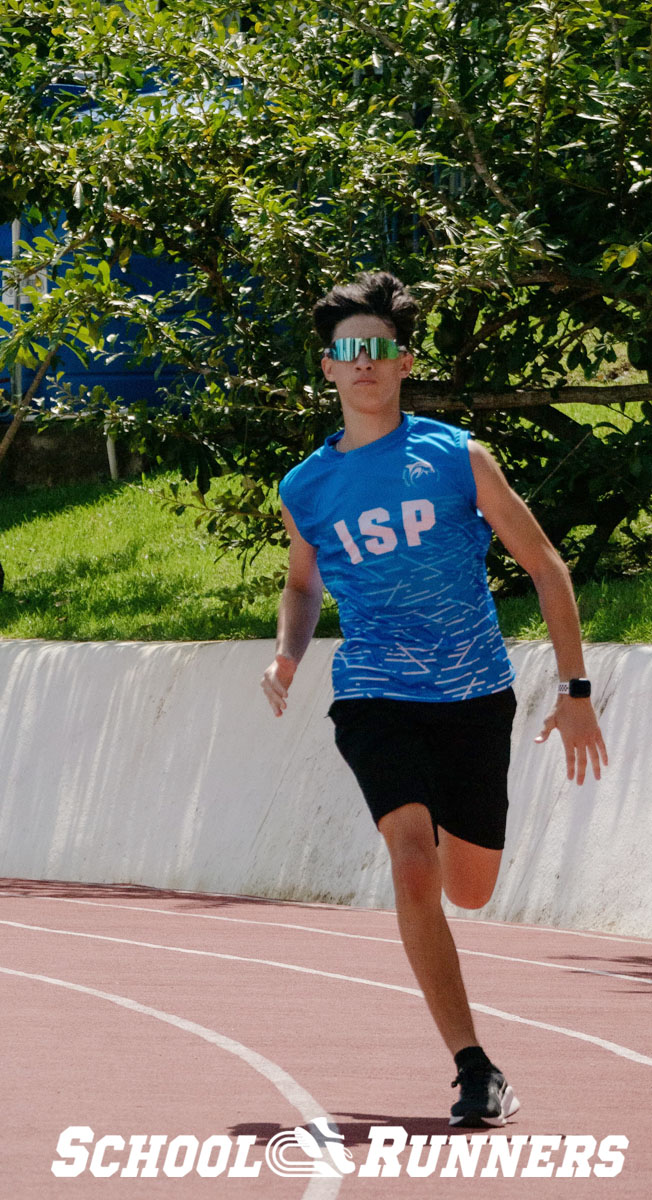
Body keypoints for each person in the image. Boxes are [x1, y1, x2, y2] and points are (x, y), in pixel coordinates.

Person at [261, 272, 608, 1128]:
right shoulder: (305, 487)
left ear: (403, 361)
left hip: (475, 695)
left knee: (473, 890)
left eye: (379, 348)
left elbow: (545, 565)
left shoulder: (456, 456)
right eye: (349, 351)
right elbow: (304, 587)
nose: (365, 363)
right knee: (411, 860)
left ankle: (469, 1003)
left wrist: (574, 689)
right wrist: (287, 655)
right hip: (374, 692)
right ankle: (474, 1066)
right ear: (329, 368)